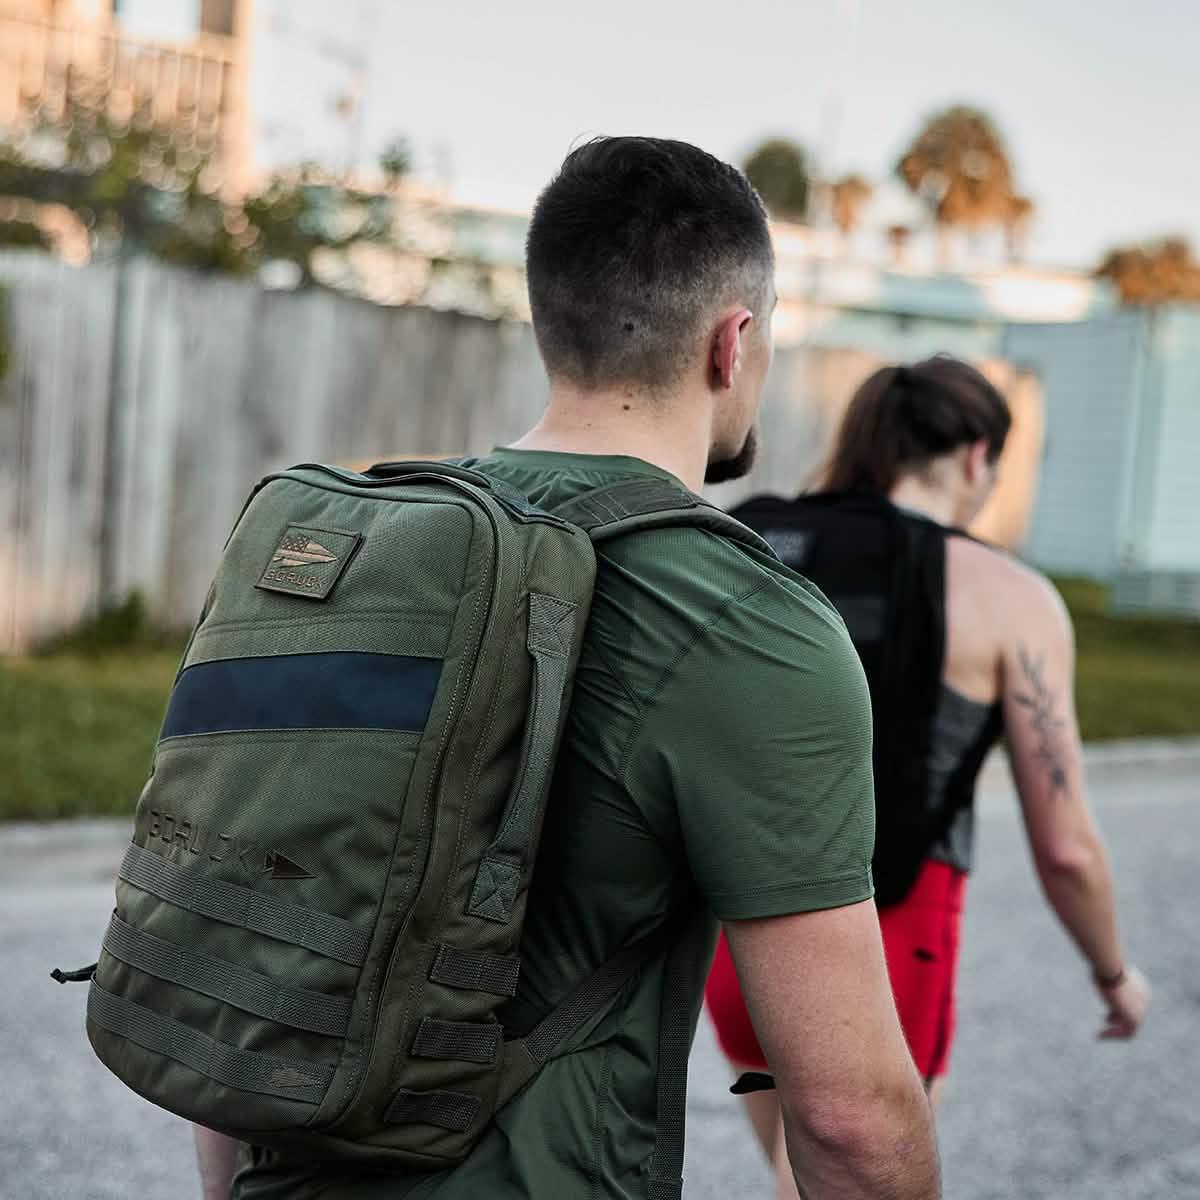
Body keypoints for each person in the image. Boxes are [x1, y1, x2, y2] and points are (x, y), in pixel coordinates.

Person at [197, 138, 940, 1198]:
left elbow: (234, 930)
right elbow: (850, 1117)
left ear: (553, 323)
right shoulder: (749, 623)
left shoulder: (366, 546)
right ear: (733, 344)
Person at [704, 355, 1150, 1198]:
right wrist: (1113, 973)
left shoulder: (753, 541)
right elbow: (1066, 850)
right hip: (893, 950)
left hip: (738, 943)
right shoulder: (1008, 594)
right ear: (979, 456)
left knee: (795, 1179)